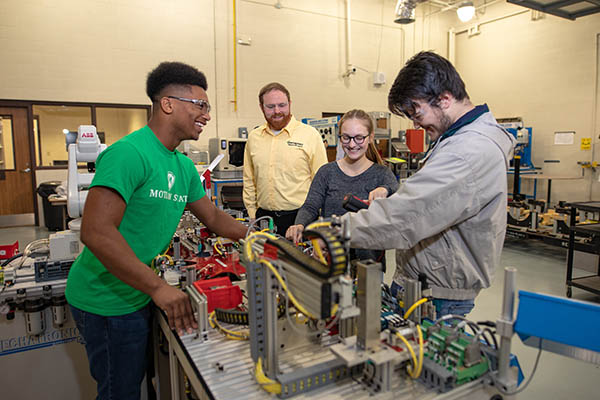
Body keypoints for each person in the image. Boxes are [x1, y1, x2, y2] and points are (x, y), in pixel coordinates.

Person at [65, 61, 248, 400]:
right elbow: (96, 232)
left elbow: (212, 217)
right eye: (201, 105)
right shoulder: (128, 154)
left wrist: (255, 237)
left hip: (136, 291)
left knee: (142, 382)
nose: (207, 115)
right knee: (120, 391)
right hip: (104, 300)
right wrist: (159, 288)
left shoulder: (181, 165)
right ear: (168, 104)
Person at [342, 52, 516, 317]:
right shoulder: (456, 139)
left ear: (445, 99)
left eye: (416, 112)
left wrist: (337, 231)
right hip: (425, 280)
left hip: (437, 293)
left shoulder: (468, 150)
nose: (415, 123)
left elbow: (409, 216)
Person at [286, 109, 398, 267]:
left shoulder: (382, 174)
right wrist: (299, 224)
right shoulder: (327, 172)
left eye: (359, 138)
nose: (352, 144)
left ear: (370, 137)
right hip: (331, 259)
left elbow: (397, 192)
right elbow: (311, 206)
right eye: (346, 138)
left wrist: (385, 189)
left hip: (368, 263)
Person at [243, 82, 328, 235]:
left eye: (282, 105)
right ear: (261, 107)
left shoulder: (310, 135)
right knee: (264, 259)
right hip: (264, 218)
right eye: (270, 107)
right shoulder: (254, 137)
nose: (277, 111)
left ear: (290, 104)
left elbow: (322, 181)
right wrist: (251, 214)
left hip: (301, 218)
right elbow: (249, 179)